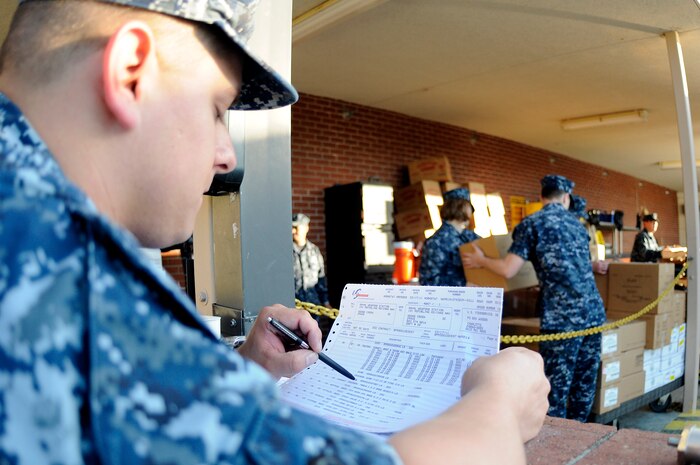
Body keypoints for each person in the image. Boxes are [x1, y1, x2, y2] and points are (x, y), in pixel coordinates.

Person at [0, 1, 549, 464]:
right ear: (130, 72)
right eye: (217, 110)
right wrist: (497, 403)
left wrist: (241, 374)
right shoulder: (71, 276)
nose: (227, 156)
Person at [462, 175, 607, 422]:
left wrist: (480, 261)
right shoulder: (577, 225)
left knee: (556, 389)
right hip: (593, 313)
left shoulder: (532, 224)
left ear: (542, 197)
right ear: (565, 197)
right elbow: (576, 265)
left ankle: (558, 443)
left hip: (563, 320)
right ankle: (582, 438)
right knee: (584, 385)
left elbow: (509, 269)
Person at [418, 187, 480, 286]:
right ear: (460, 207)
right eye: (469, 207)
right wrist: (464, 285)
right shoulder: (436, 242)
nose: (471, 212)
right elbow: (428, 282)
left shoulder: (471, 237)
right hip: (453, 299)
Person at [292, 213, 330, 308]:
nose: (293, 230)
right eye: (292, 227)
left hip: (312, 306)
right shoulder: (285, 252)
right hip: (293, 307)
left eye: (296, 227)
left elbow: (321, 278)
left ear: (306, 228)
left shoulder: (314, 251)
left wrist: (325, 302)